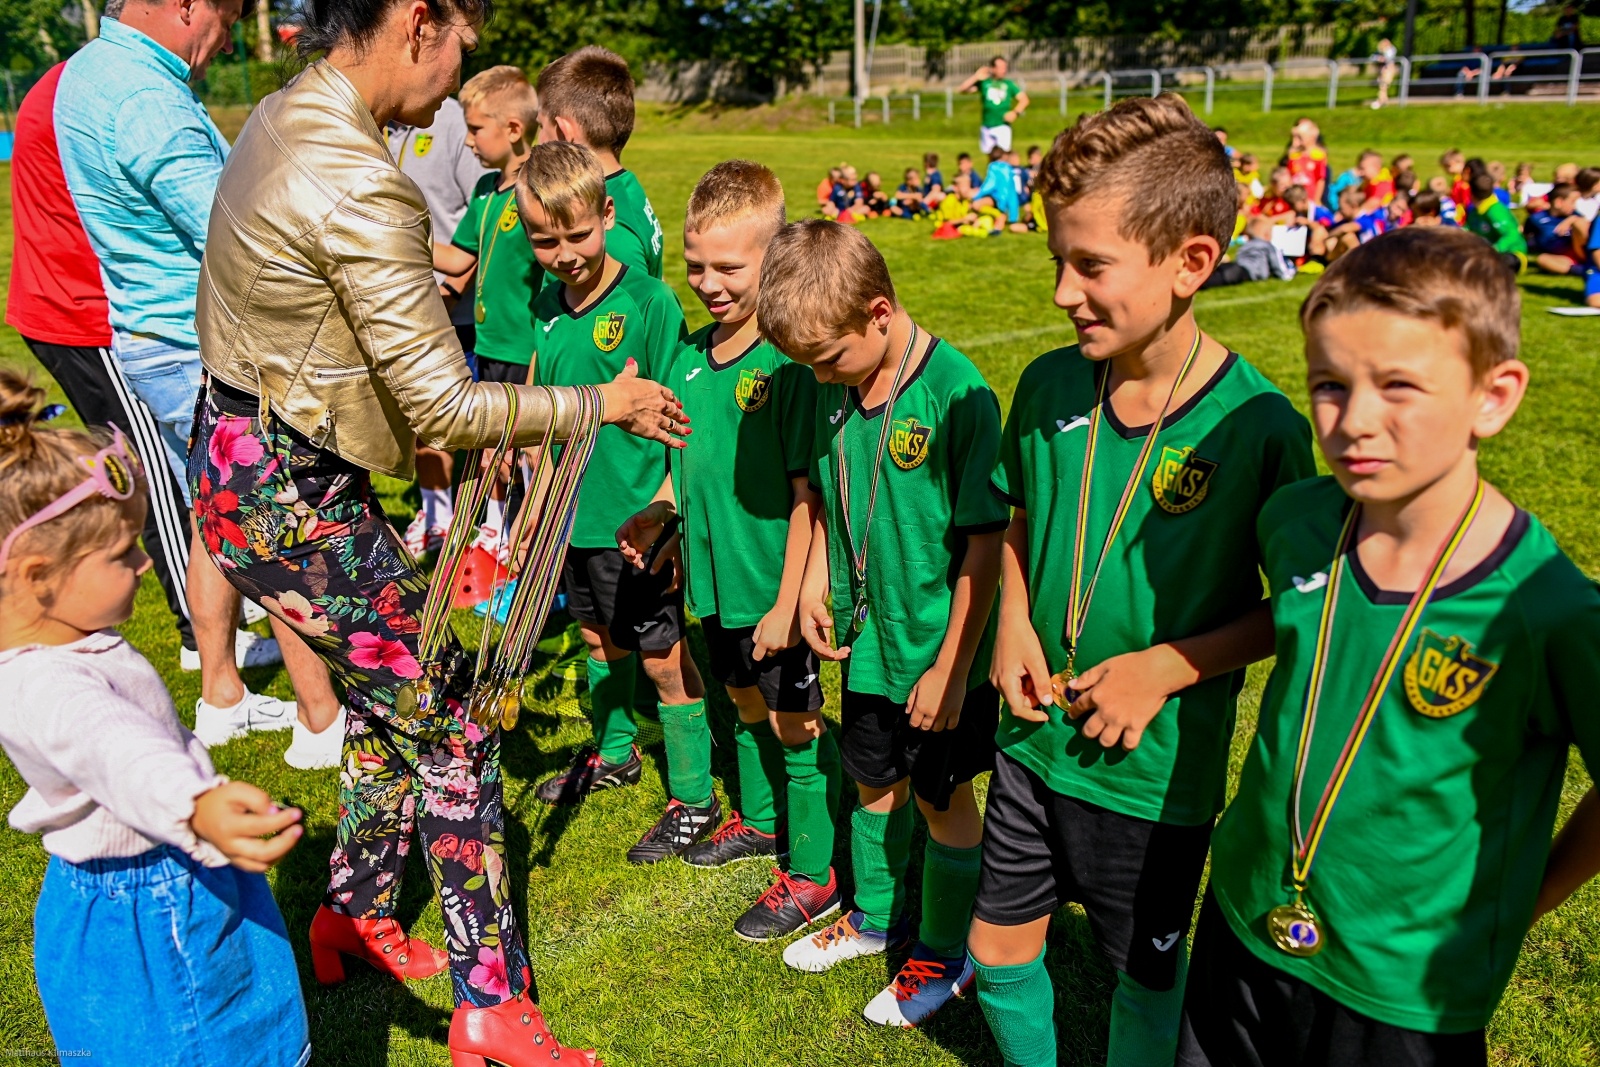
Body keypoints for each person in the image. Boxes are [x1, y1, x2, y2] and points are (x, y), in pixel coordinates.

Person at [192, 2, 687, 1057]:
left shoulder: (282, 113)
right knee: (456, 723)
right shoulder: (359, 175)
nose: (465, 74)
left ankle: (353, 912)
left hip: (247, 473)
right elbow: (447, 409)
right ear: (419, 22)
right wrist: (600, 403)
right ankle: (492, 1005)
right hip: (291, 499)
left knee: (392, 703)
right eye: (462, 39)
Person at [1178, 225, 1600, 1067]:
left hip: (1403, 986)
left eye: (1399, 385)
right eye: (1329, 384)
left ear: (1495, 394)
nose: (1354, 420)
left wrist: (1530, 894)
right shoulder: (1296, 523)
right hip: (1240, 918)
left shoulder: (1548, 608)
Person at [971, 94, 1315, 1067]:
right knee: (997, 949)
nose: (1060, 294)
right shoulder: (1045, 385)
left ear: (1190, 263)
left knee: (1144, 977)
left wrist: (1166, 665)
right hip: (1030, 743)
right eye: (1056, 263)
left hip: (1153, 775)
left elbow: (1301, 606)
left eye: (1088, 266)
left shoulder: (1259, 428)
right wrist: (1009, 626)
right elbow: (1017, 518)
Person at [52, 0, 345, 766]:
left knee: (215, 516)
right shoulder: (147, 98)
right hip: (197, 343)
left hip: (156, 337)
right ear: (185, 5)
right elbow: (235, 230)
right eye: (228, 12)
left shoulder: (93, 69)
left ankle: (220, 695)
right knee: (270, 522)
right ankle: (321, 722)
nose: (226, 32)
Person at [0, 369, 309, 1066]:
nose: (145, 564)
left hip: (152, 880)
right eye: (121, 553)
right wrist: (196, 803)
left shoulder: (57, 642)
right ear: (39, 573)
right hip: (152, 903)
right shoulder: (50, 686)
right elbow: (118, 751)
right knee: (206, 1044)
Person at [762, 220, 1008, 1028]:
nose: (817, 375)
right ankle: (872, 916)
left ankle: (945, 950)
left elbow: (984, 545)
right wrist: (812, 587)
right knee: (872, 779)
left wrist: (949, 666)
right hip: (867, 644)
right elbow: (835, 503)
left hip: (937, 653)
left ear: (878, 311)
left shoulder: (954, 391)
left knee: (943, 801)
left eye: (825, 358)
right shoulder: (835, 389)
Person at [617, 160, 844, 942]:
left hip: (772, 587)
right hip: (712, 584)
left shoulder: (786, 364)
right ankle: (757, 817)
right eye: (696, 266)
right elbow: (689, 466)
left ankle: (816, 871)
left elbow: (809, 496)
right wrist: (659, 515)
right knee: (744, 703)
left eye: (729, 268)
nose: (709, 283)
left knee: (795, 721)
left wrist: (790, 601)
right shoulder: (686, 354)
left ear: (774, 257)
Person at [517, 142, 717, 867]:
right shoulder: (548, 303)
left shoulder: (649, 303)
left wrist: (666, 508)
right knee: (600, 640)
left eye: (577, 234)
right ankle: (617, 752)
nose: (564, 253)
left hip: (638, 523)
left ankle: (695, 795)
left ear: (607, 215)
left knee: (663, 655)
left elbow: (683, 419)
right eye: (545, 239)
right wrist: (535, 489)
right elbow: (545, 399)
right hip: (575, 516)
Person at [5, 60, 203, 672]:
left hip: (75, 307)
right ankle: (201, 634)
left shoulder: (85, 78)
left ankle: (211, 612)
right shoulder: (106, 88)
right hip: (85, 314)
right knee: (156, 480)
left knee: (163, 470)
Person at [430, 66, 542, 577]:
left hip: (526, 353)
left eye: (476, 129)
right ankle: (499, 547)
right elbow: (457, 260)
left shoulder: (541, 190)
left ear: (514, 129)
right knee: (494, 453)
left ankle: (538, 568)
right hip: (488, 347)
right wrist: (394, 233)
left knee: (531, 460)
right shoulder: (483, 191)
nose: (468, 140)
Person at [389, 88, 490, 556]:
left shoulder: (453, 124)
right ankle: (437, 514)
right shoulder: (383, 126)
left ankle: (496, 525)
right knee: (417, 420)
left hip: (460, 311)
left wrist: (451, 293)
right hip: (405, 311)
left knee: (477, 423)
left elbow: (487, 215)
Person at [537, 46, 664, 279]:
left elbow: (630, 307)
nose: (537, 141)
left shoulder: (606, 230)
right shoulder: (626, 186)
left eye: (540, 126)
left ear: (563, 132)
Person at [1464, 159, 1528, 273]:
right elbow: (1468, 230)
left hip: (1512, 253)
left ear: (1471, 194)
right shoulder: (1475, 212)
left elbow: (1512, 234)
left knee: (1501, 262)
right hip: (1485, 252)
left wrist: (1495, 249)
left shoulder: (1496, 211)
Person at [1201, 215, 1298, 288]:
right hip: (1247, 271)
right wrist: (1290, 271)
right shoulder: (1268, 246)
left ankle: (1199, 278)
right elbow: (1278, 265)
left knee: (1219, 272)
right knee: (1222, 278)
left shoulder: (1248, 244)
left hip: (1237, 265)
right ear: (1266, 234)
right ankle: (1201, 284)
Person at [959, 55, 1029, 154]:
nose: (1004, 70)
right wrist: (976, 77)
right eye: (1000, 67)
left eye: (1005, 67)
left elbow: (1024, 99)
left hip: (1002, 124)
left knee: (1003, 155)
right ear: (993, 68)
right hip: (987, 125)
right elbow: (962, 89)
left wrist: (1015, 112)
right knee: (990, 155)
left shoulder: (1009, 84)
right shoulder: (985, 83)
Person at [1525, 183, 1590, 276]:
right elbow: (1526, 235)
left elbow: (1587, 227)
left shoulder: (1575, 215)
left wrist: (1571, 220)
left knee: (1579, 223)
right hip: (1562, 257)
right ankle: (1583, 270)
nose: (1574, 206)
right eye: (1572, 202)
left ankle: (1592, 261)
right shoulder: (1536, 218)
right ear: (1558, 202)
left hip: (1580, 250)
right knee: (1542, 259)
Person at [1286, 118, 1328, 204]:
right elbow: (1289, 174)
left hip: (1310, 197)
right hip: (1295, 196)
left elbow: (1321, 179)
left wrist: (1317, 199)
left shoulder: (1318, 156)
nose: (1298, 141)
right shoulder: (1294, 156)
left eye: (1301, 138)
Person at [1372, 37, 1399, 108]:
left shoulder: (1391, 50)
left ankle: (1380, 101)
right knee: (1382, 86)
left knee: (1383, 86)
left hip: (1388, 69)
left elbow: (1388, 58)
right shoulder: (1380, 51)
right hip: (1382, 70)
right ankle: (1384, 101)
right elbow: (1373, 57)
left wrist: (1382, 56)